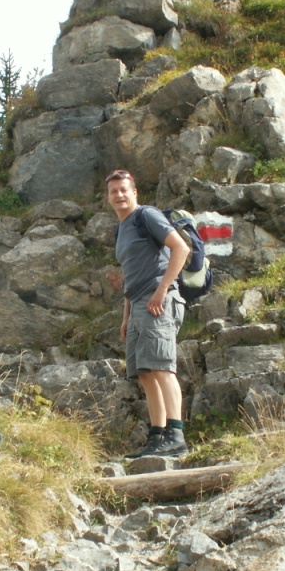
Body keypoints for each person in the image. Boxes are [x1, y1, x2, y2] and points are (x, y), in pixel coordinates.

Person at [105, 169, 190, 458]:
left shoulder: (147, 215)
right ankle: (157, 437)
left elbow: (181, 248)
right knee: (145, 373)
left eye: (123, 190)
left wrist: (162, 290)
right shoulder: (121, 229)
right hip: (138, 304)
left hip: (158, 301)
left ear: (134, 192)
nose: (119, 195)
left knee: (162, 367)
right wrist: (126, 317)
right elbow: (131, 276)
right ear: (108, 197)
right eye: (114, 191)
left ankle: (176, 437)